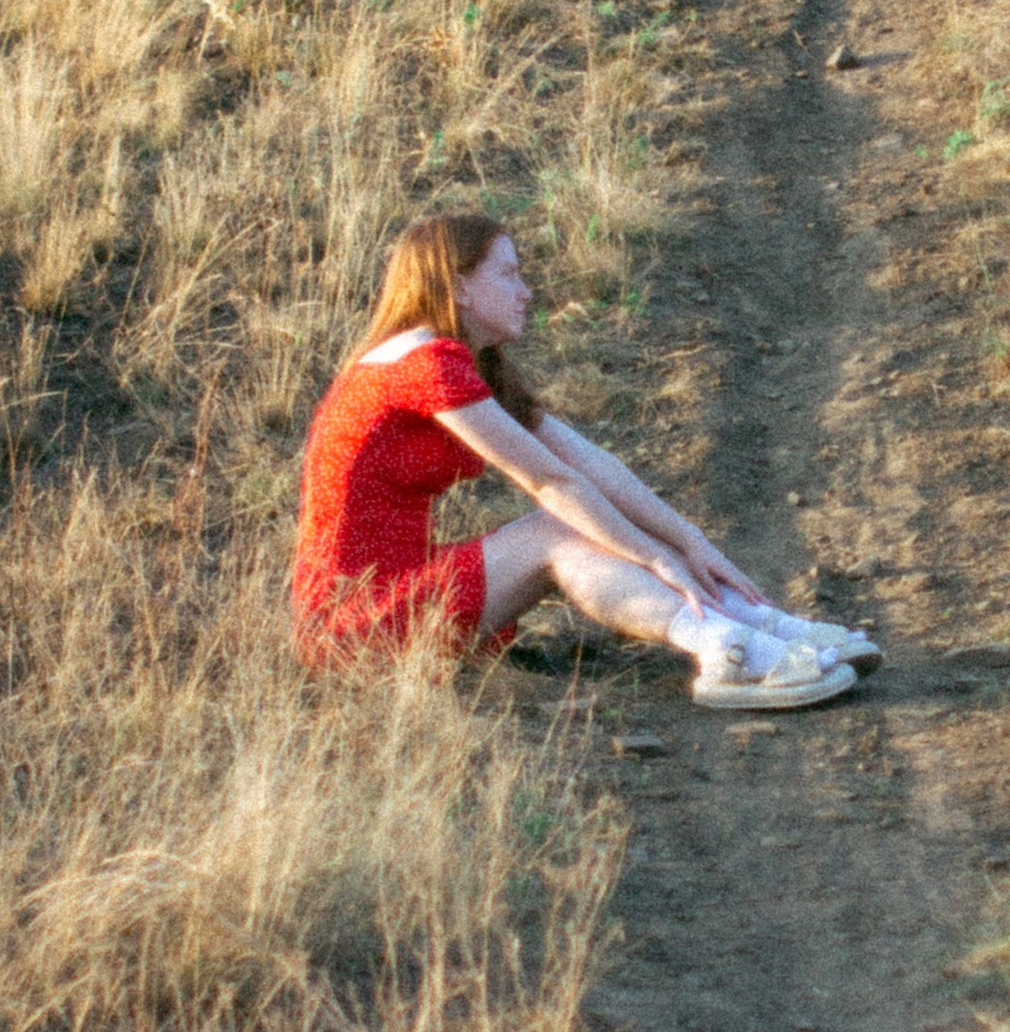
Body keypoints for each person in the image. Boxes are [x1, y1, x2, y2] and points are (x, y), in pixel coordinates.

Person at [290, 210, 878, 711]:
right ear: (459, 285)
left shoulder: (457, 362)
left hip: (394, 593)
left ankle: (766, 628)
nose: (526, 292)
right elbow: (547, 479)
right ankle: (727, 650)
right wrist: (651, 555)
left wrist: (688, 540)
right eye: (509, 274)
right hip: (354, 619)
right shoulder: (424, 363)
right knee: (559, 531)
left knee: (590, 521)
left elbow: (591, 464)